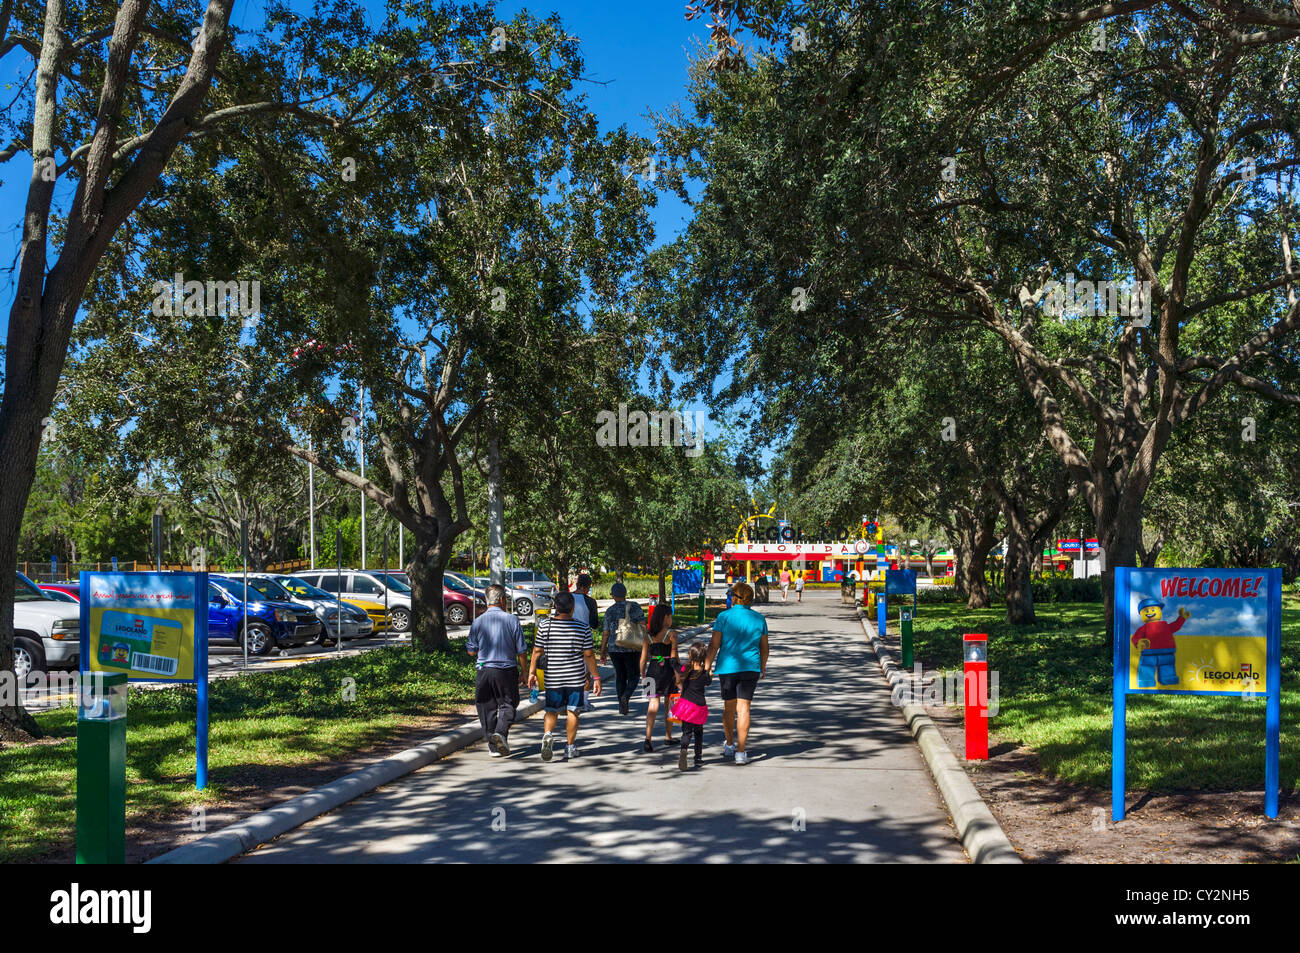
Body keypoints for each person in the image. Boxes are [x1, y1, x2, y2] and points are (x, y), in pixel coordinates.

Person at [529, 591, 601, 761]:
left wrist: (532, 673)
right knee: (573, 711)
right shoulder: (583, 628)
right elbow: (589, 655)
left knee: (551, 710)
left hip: (553, 677)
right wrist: (596, 677)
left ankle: (547, 735)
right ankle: (569, 747)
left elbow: (537, 651)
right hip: (575, 677)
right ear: (573, 607)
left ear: (555, 607)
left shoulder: (545, 626)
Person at [705, 581, 769, 765]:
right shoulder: (759, 619)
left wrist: (707, 666)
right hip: (751, 667)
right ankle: (741, 753)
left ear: (735, 598)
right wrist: (762, 666)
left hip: (728, 668)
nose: (730, 598)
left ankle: (730, 744)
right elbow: (764, 648)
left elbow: (714, 644)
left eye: (731, 595)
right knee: (744, 709)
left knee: (729, 708)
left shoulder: (723, 617)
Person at [465, 585, 528, 758]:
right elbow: (521, 650)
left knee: (486, 707)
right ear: (501, 600)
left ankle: (493, 747)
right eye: (506, 599)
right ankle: (500, 733)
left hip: (484, 670)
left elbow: (471, 650)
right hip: (506, 670)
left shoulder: (478, 621)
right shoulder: (511, 620)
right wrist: (525, 671)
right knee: (508, 703)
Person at [600, 581, 646, 715]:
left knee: (620, 676)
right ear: (625, 594)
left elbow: (606, 633)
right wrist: (646, 645)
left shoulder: (609, 611)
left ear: (612, 595)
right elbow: (642, 626)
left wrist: (603, 650)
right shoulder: (635, 607)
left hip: (614, 649)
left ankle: (622, 704)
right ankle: (626, 696)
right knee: (634, 675)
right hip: (631, 647)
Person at [639, 601, 677, 751]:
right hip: (668, 670)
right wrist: (680, 674)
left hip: (652, 671)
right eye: (670, 616)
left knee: (652, 705)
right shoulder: (672, 634)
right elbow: (674, 658)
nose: (671, 619)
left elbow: (643, 659)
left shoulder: (648, 636)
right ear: (665, 617)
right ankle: (668, 736)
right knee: (670, 704)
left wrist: (643, 676)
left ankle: (648, 738)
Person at [673, 642, 712, 771]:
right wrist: (708, 669)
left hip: (687, 706)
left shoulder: (686, 669)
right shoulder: (705, 674)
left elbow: (674, 664)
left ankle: (683, 749)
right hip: (699, 706)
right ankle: (698, 758)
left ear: (690, 655)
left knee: (686, 732)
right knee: (699, 732)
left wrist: (674, 648)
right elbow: (709, 682)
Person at [571, 574, 600, 712]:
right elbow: (594, 624)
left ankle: (569, 701)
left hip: (564, 637)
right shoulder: (590, 602)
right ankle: (584, 701)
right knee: (585, 673)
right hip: (583, 639)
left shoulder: (566, 598)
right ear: (588, 587)